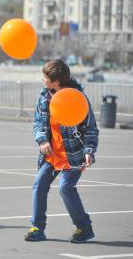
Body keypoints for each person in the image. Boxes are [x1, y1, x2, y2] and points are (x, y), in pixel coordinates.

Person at [25, 60, 99, 243]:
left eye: (45, 77)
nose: (42, 79)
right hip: (51, 156)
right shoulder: (44, 97)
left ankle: (84, 227)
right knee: (39, 185)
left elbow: (90, 129)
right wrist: (42, 140)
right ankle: (37, 228)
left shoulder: (77, 99)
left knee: (66, 188)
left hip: (74, 156)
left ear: (56, 81)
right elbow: (38, 124)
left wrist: (89, 151)